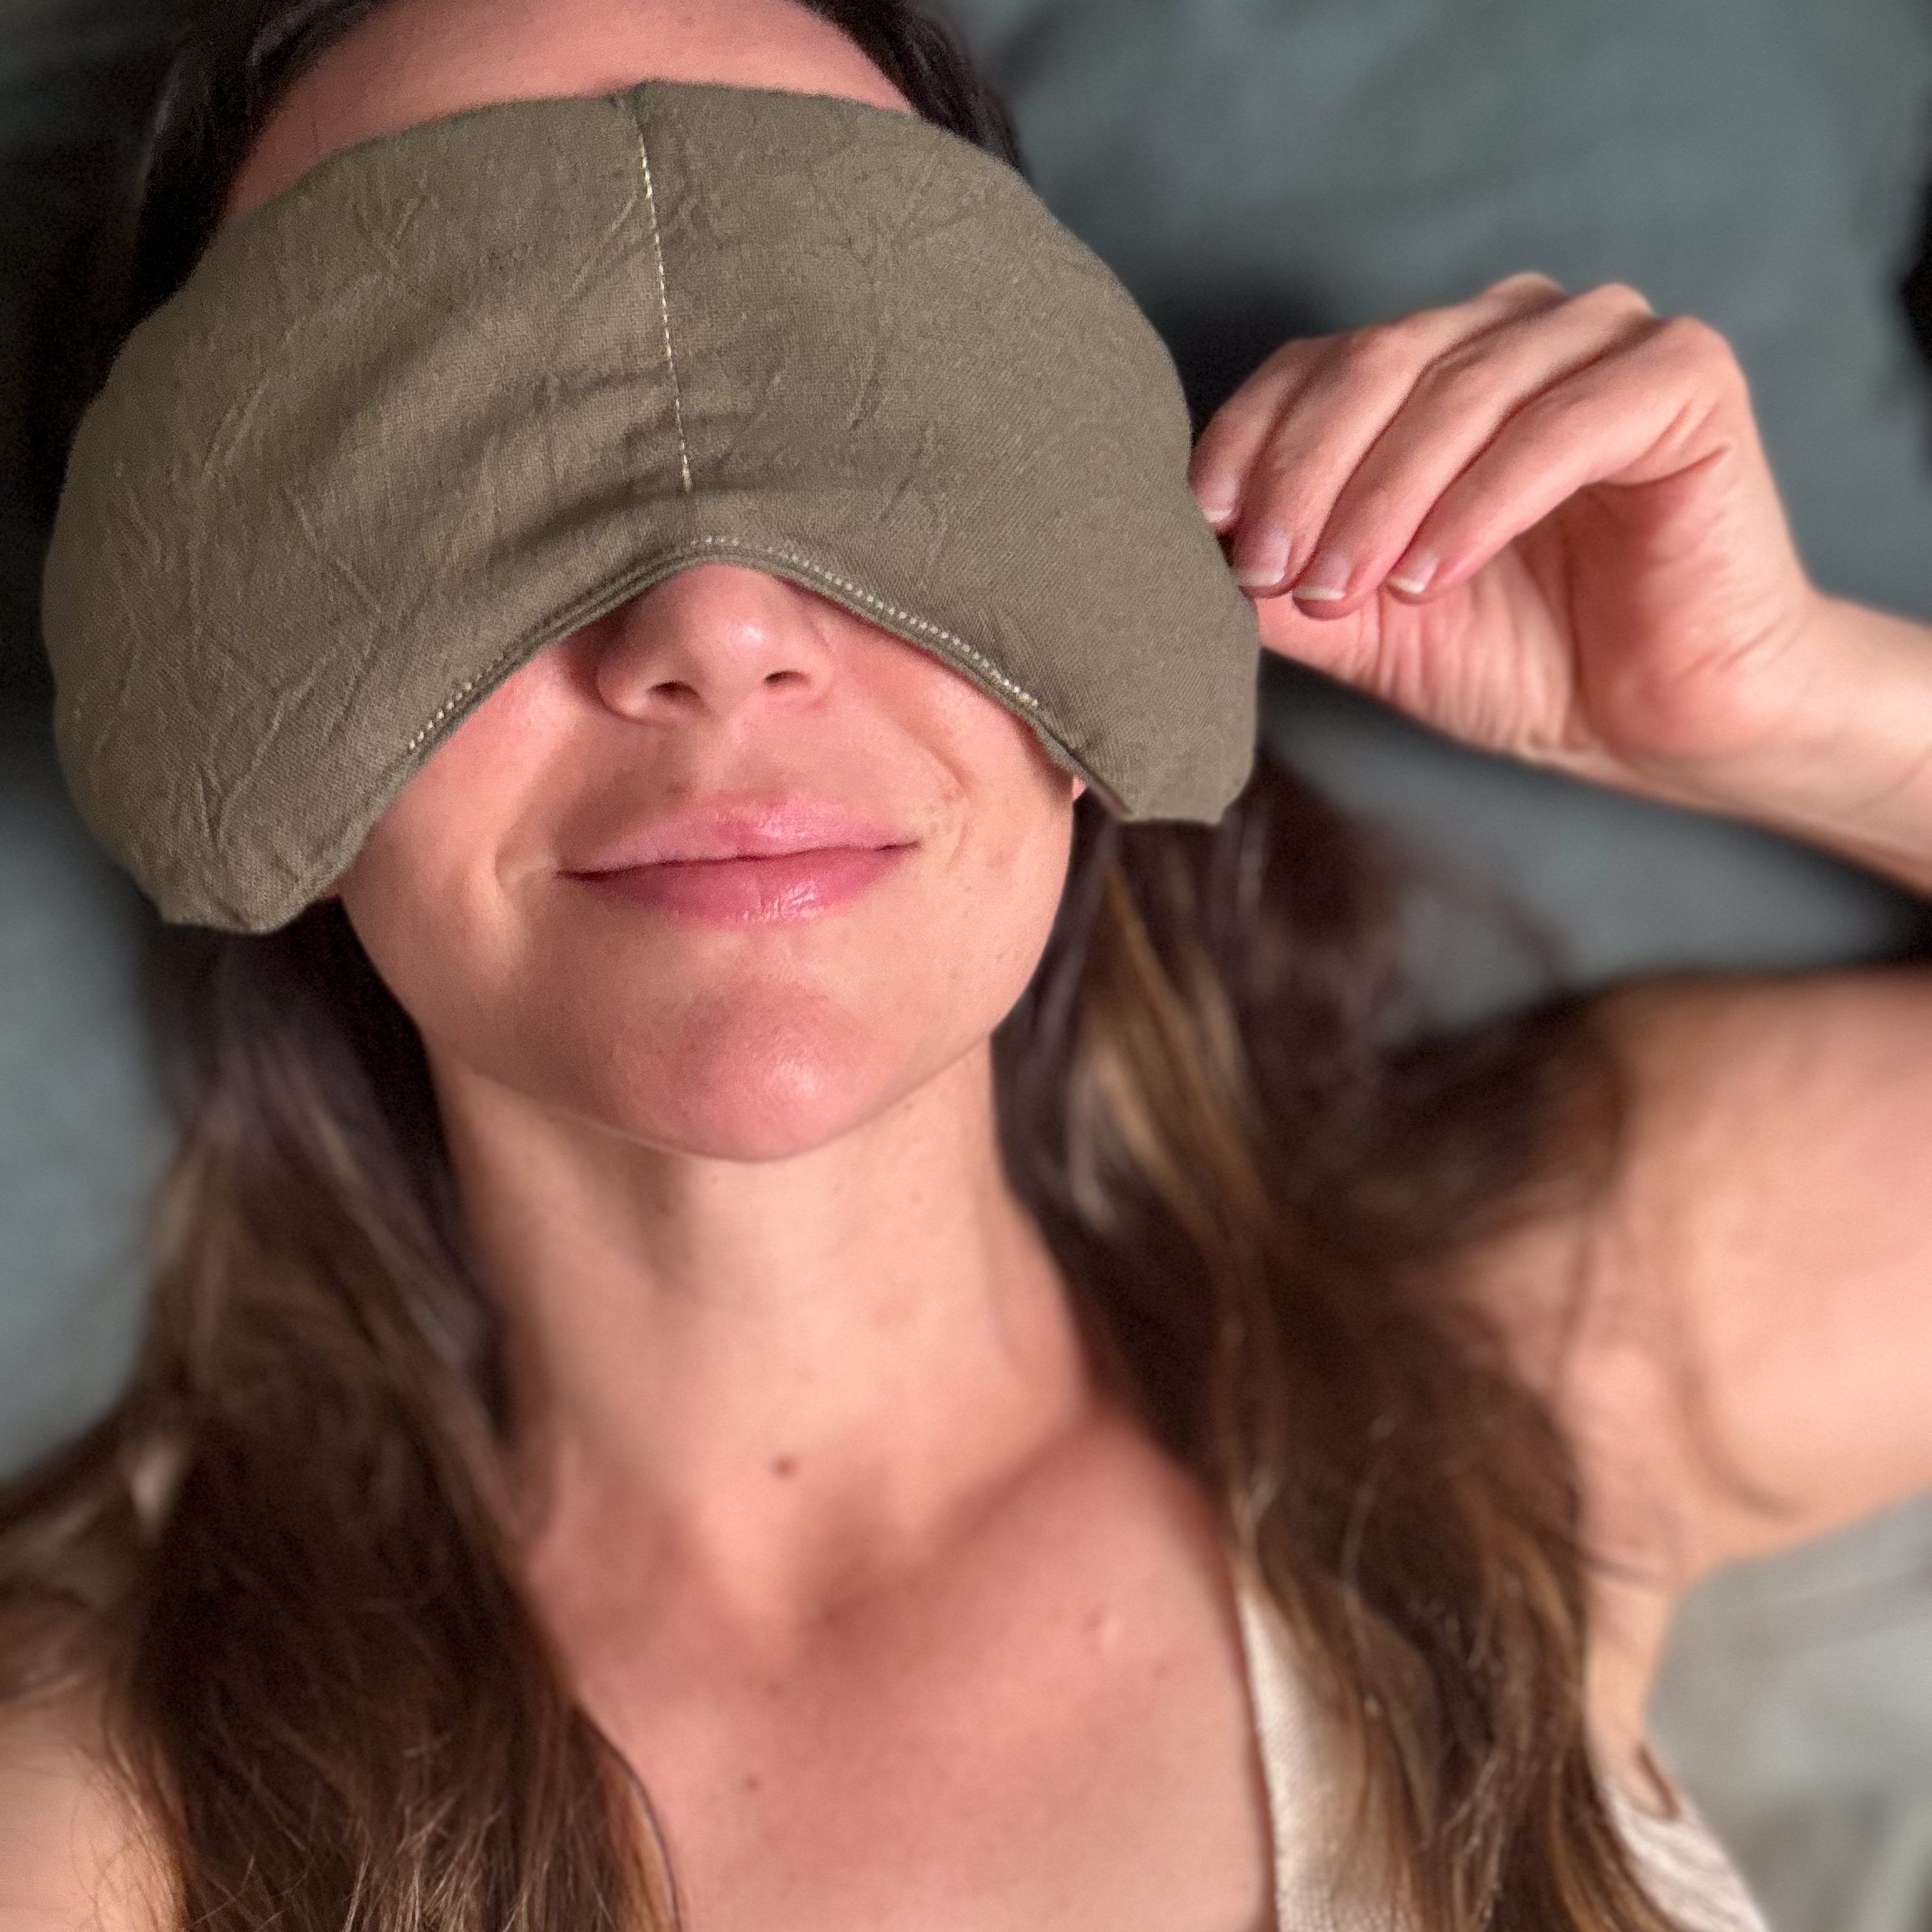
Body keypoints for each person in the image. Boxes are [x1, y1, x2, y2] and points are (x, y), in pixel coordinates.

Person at [3, 0, 1931, 1927]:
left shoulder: (1539, 1354)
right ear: (216, 690)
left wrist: (1796, 712)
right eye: (442, 444)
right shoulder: (108, 1804)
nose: (721, 624)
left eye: (860, 396)